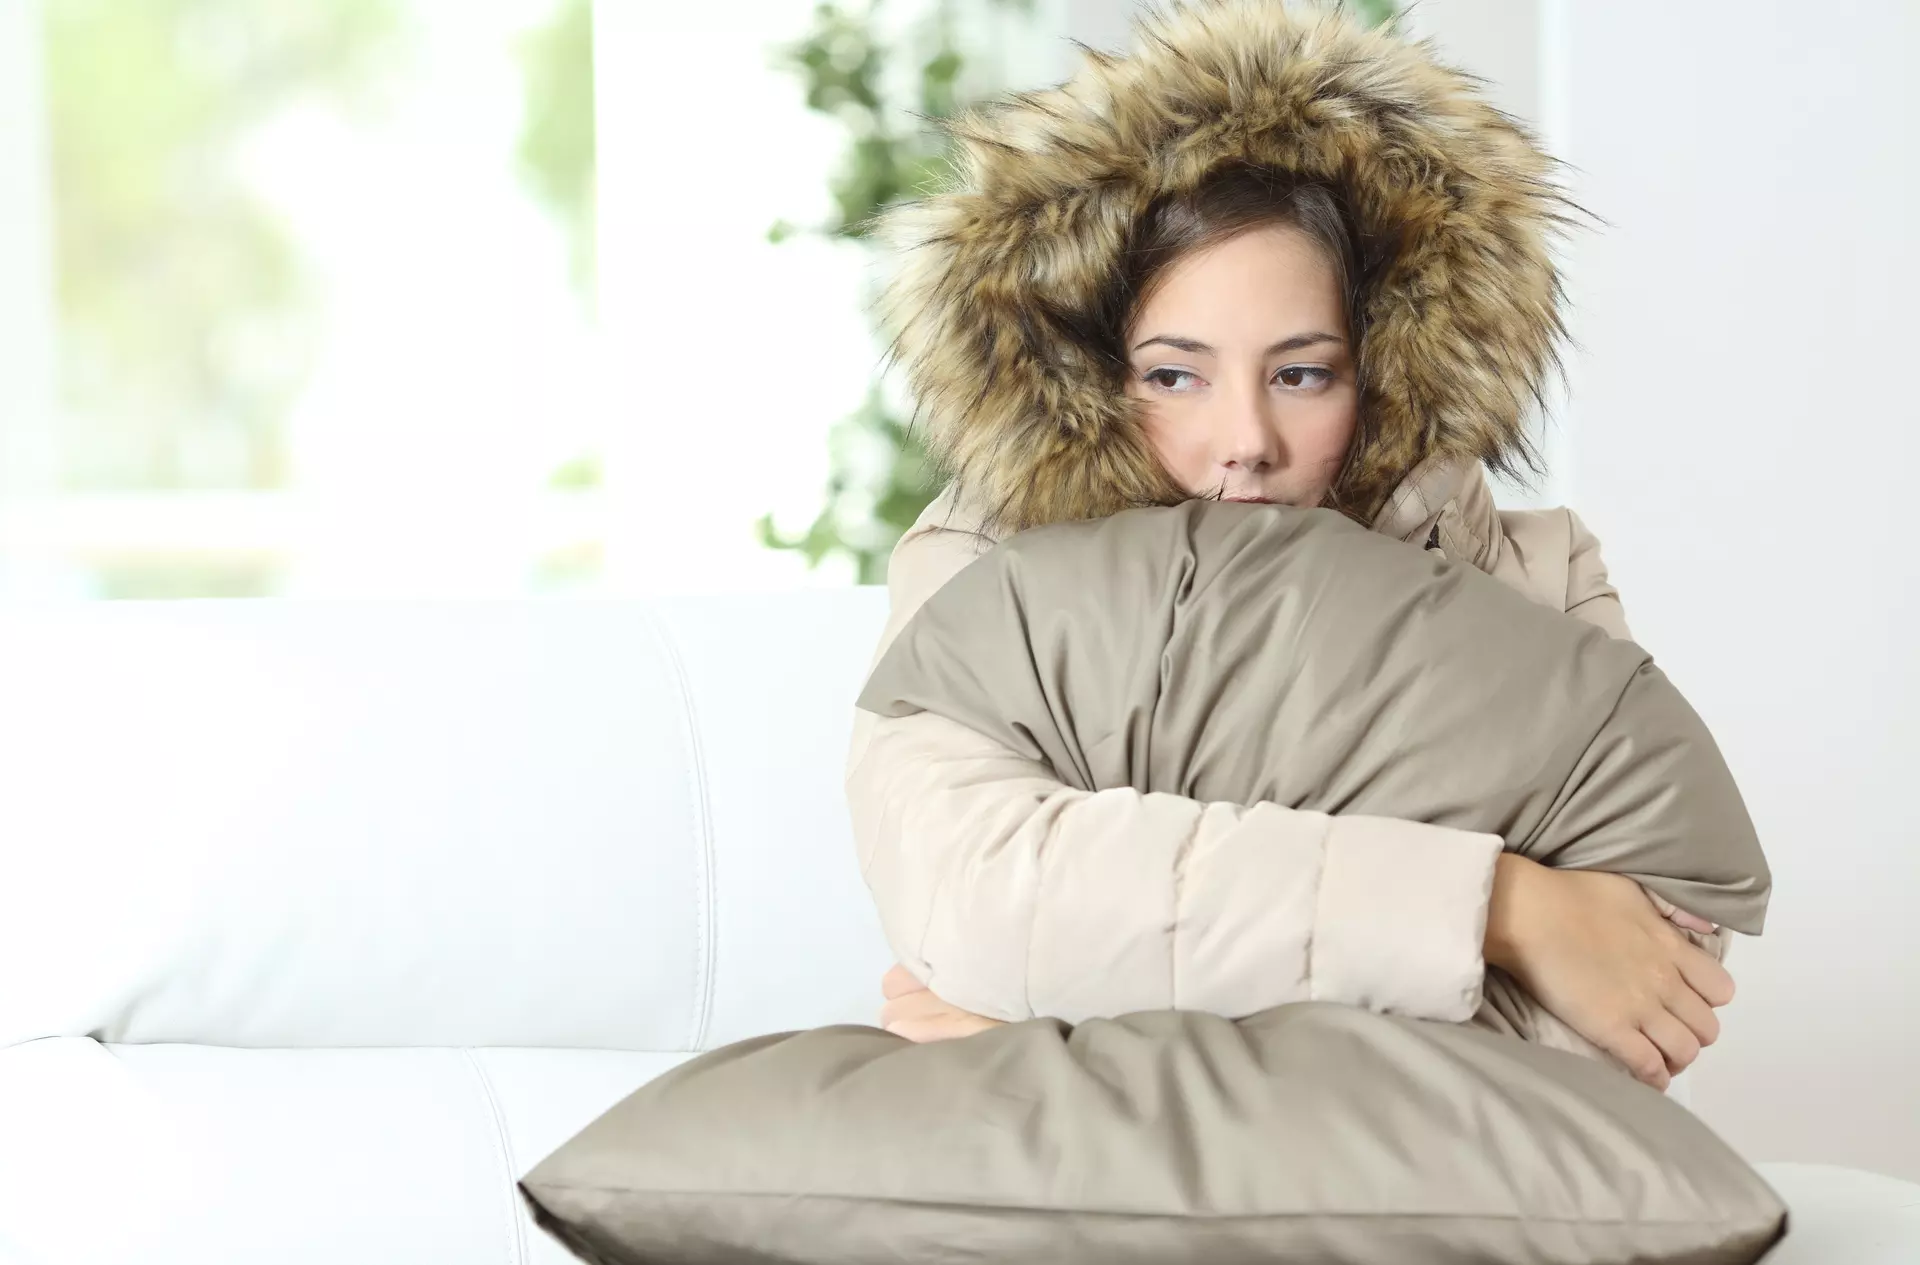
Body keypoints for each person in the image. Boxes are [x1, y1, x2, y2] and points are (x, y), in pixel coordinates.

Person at [846, 0, 1733, 1092]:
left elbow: (1626, 1009)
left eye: (1302, 372)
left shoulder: (1535, 575)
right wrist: (1500, 905)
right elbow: (982, 898)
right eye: (1175, 374)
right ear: (1090, 371)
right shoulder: (979, 568)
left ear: (1387, 367)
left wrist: (1068, 1037)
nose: (1246, 442)